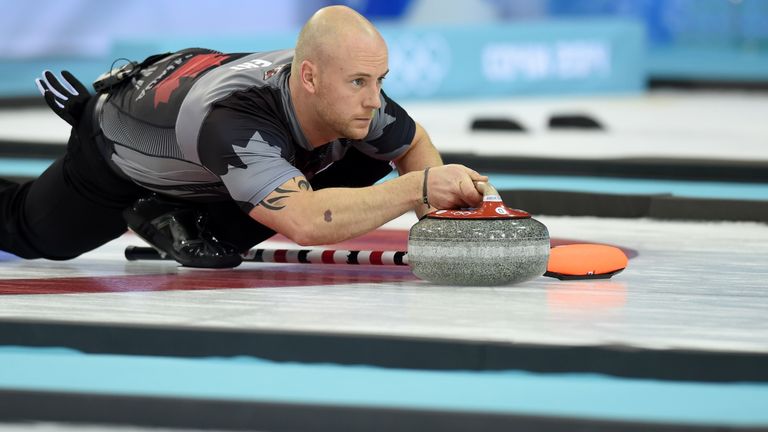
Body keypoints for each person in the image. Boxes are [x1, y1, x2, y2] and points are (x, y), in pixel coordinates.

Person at [0, 5, 486, 268]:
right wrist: (419, 190)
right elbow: (306, 224)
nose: (375, 99)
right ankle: (168, 209)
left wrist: (439, 223)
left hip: (193, 119)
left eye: (379, 80)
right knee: (34, 235)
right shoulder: (238, 124)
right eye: (360, 82)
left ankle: (181, 218)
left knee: (368, 155)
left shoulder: (351, 98)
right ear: (310, 77)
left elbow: (412, 142)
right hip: (113, 150)